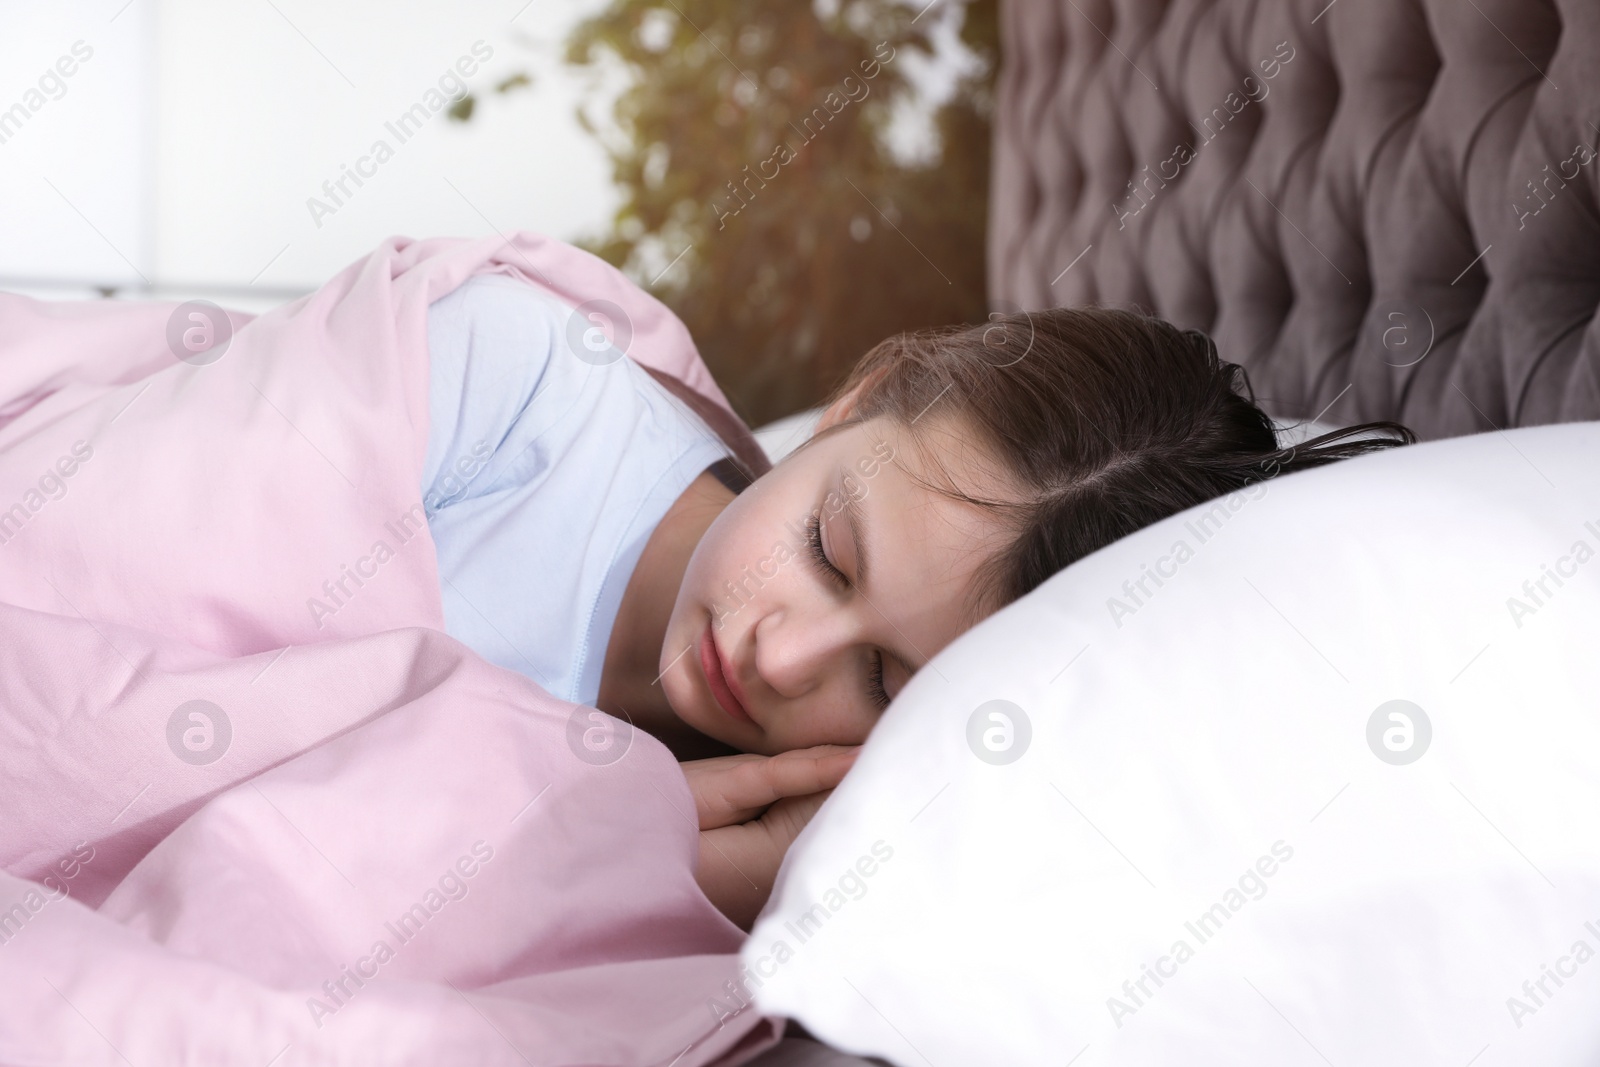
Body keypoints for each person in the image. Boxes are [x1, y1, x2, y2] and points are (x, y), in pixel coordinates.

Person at [422, 273, 1413, 926]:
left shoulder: (811, 865)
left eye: (884, 681)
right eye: (826, 551)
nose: (782, 655)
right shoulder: (506, 389)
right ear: (857, 401)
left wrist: (674, 860)